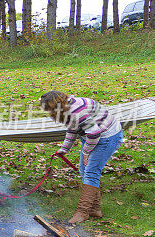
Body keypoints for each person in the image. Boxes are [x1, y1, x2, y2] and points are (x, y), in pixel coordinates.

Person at [40, 90, 123, 224]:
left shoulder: (77, 111)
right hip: (92, 135)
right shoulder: (67, 108)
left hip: (107, 137)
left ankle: (83, 212)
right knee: (84, 171)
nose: (49, 114)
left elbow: (94, 134)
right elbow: (73, 129)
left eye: (50, 110)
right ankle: (95, 210)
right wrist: (64, 149)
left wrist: (86, 152)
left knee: (91, 172)